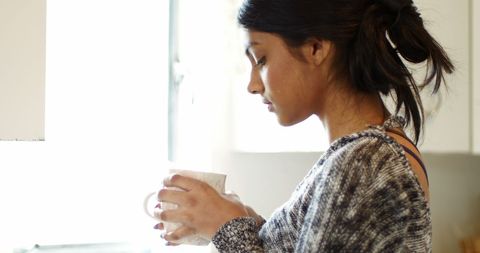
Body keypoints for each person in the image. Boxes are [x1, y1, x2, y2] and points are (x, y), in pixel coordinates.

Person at [153, 0, 454, 251]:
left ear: (315, 48)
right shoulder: (367, 155)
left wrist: (226, 227)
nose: (253, 85)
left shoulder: (365, 163)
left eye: (261, 59)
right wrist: (245, 222)